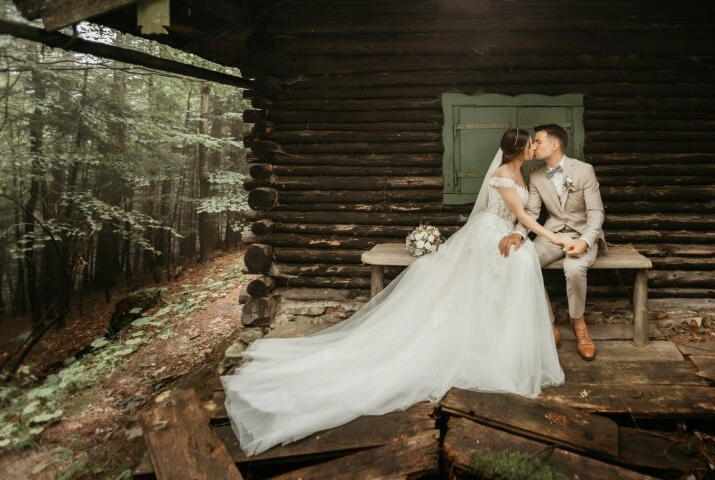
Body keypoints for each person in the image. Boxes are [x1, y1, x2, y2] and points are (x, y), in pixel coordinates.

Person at [221, 128, 567, 456]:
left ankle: (501, 334)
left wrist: (522, 235)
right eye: (532, 143)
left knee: (517, 266)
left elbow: (523, 219)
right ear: (522, 148)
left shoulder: (525, 173)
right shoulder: (504, 175)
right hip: (488, 233)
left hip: (505, 233)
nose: (537, 147)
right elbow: (522, 213)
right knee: (509, 269)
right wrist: (555, 238)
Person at [498, 124, 605, 361]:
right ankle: (548, 321)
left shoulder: (584, 170)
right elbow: (531, 213)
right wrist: (518, 233)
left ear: (553, 144)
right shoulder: (535, 175)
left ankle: (579, 324)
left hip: (582, 234)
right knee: (525, 260)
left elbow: (596, 212)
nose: (534, 146)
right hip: (553, 235)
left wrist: (586, 242)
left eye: (538, 141)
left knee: (574, 268)